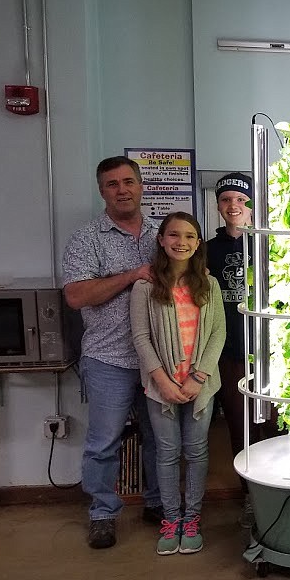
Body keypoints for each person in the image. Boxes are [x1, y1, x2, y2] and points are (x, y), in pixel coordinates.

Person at [63, 156, 163, 549]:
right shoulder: (86, 239)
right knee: (104, 441)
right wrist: (132, 275)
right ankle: (103, 513)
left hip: (158, 359)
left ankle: (158, 503)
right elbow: (75, 295)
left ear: (141, 187)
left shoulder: (164, 233)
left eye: (128, 182)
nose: (121, 190)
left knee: (160, 439)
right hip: (109, 359)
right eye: (111, 184)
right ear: (101, 190)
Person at [131, 212, 225, 556]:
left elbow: (218, 333)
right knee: (167, 453)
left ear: (198, 243)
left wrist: (199, 376)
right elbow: (141, 338)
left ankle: (192, 519)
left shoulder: (209, 284)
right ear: (161, 240)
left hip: (200, 385)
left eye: (189, 236)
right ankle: (171, 520)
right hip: (162, 387)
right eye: (173, 235)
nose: (181, 242)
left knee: (197, 452)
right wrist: (162, 380)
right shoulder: (145, 286)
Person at [205, 172, 279, 528]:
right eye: (226, 200)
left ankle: (279, 491)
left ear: (253, 204)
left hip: (270, 353)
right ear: (218, 205)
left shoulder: (271, 243)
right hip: (230, 352)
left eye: (241, 199)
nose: (234, 206)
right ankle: (250, 496)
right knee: (241, 426)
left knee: (275, 425)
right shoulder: (208, 250)